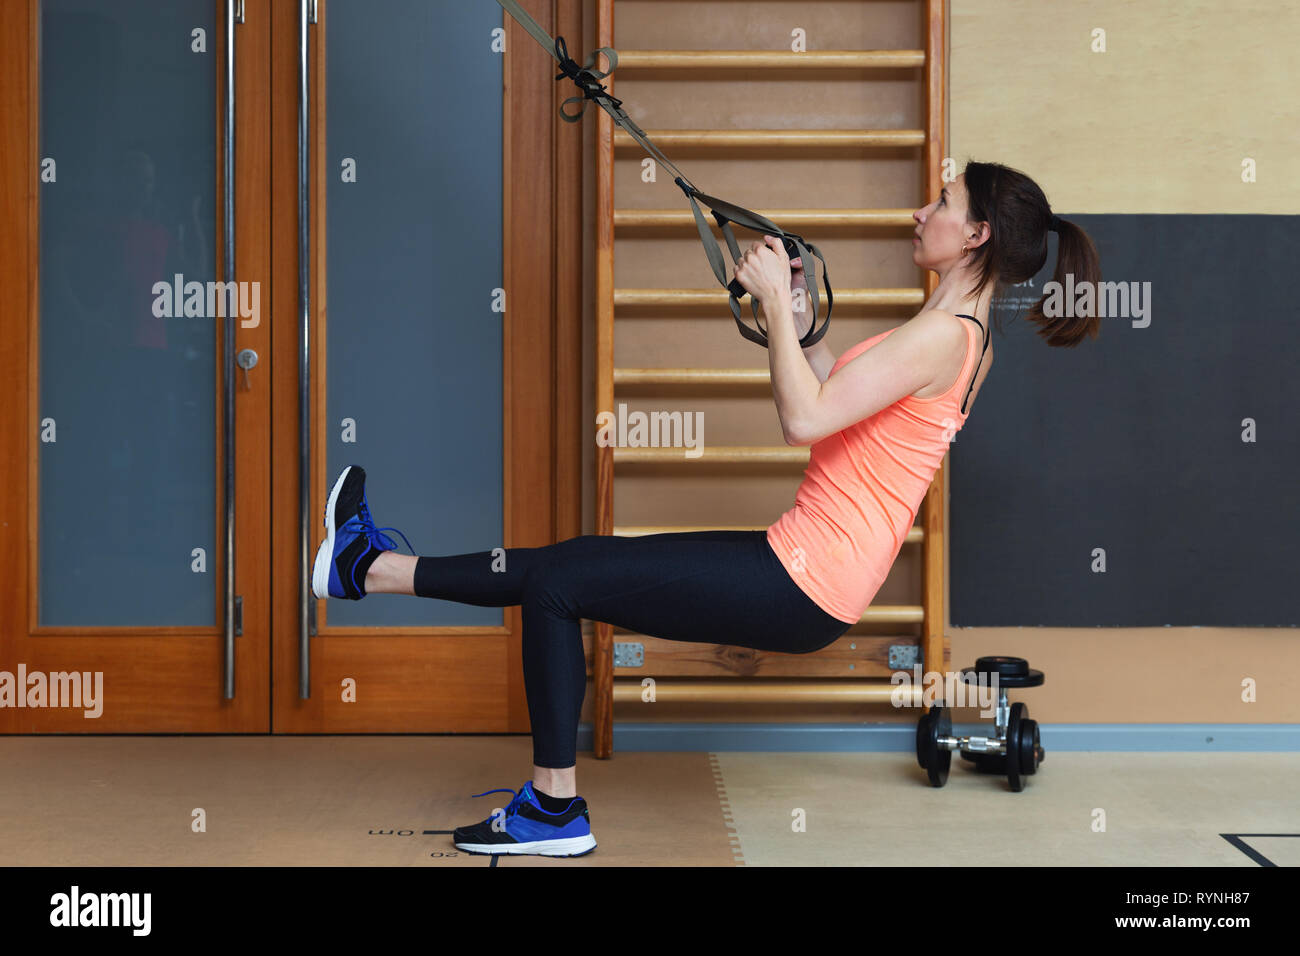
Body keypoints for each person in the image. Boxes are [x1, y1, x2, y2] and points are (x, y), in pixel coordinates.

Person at [310, 161, 1102, 857]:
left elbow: (804, 421)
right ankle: (367, 568)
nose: (920, 213)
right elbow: (845, 403)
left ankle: (551, 808)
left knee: (560, 584)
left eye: (941, 202)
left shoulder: (943, 337)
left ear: (977, 234)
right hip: (806, 570)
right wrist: (789, 310)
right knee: (567, 569)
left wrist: (768, 301)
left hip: (802, 579)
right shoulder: (963, 335)